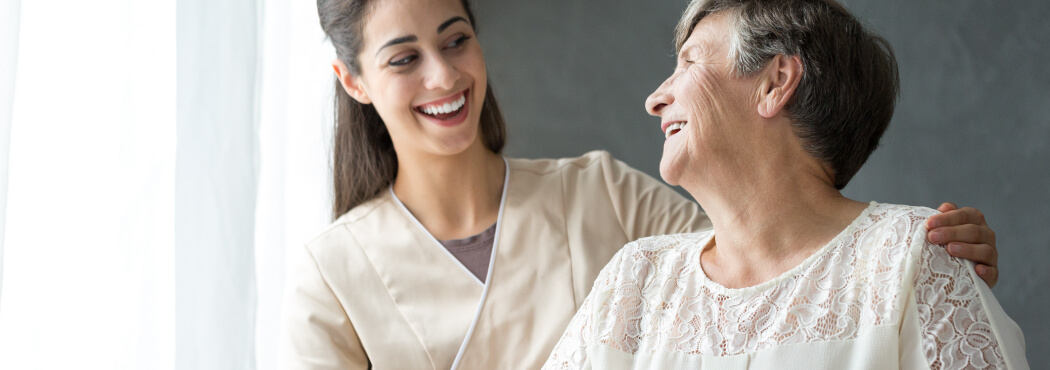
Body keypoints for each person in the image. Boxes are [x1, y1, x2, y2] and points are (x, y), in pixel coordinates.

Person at [279, 0, 1003, 368]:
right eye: (404, 58)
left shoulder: (601, 198)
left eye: (456, 38)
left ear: (776, 79)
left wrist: (913, 253)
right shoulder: (330, 272)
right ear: (353, 80)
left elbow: (768, 241)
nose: (444, 76)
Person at [543, 0, 1027, 369]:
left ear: (775, 82)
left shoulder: (912, 260)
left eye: (690, 62)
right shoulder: (635, 280)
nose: (655, 99)